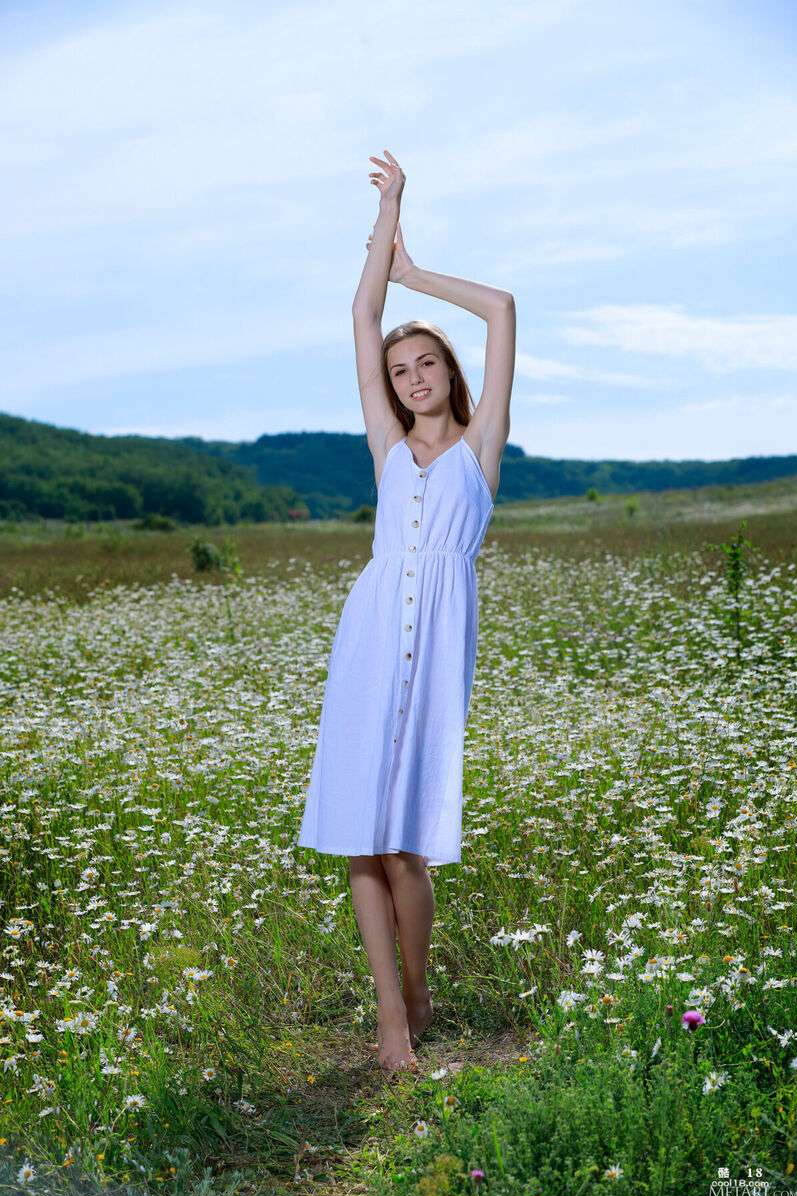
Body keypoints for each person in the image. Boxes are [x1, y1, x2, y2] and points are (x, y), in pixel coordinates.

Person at [296, 149, 515, 1074]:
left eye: (426, 363)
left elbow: (502, 309)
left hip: (438, 658)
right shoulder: (387, 449)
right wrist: (388, 217)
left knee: (408, 848)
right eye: (399, 370)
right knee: (359, 833)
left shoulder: (479, 450)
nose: (412, 377)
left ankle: (417, 992)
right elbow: (360, 313)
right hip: (370, 637)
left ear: (448, 372)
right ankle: (392, 1025)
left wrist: (418, 272)